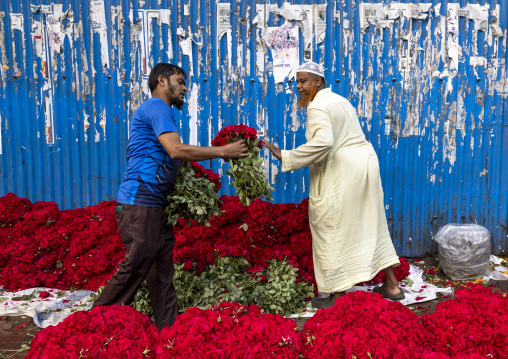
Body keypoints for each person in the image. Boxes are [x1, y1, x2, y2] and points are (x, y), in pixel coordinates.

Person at [93, 63, 248, 329]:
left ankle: (168, 330)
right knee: (136, 265)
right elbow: (175, 150)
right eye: (180, 80)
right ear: (162, 81)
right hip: (139, 202)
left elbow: (167, 156)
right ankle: (94, 322)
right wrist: (223, 151)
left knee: (161, 271)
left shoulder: (160, 112)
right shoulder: (157, 107)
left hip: (154, 204)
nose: (185, 87)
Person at [263, 62, 404, 308]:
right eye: (297, 82)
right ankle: (392, 286)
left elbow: (324, 143)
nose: (299, 87)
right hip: (364, 167)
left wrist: (285, 156)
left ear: (318, 81)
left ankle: (338, 295)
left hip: (343, 171)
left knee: (329, 224)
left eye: (303, 81)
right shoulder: (341, 101)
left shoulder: (318, 105)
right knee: (372, 225)